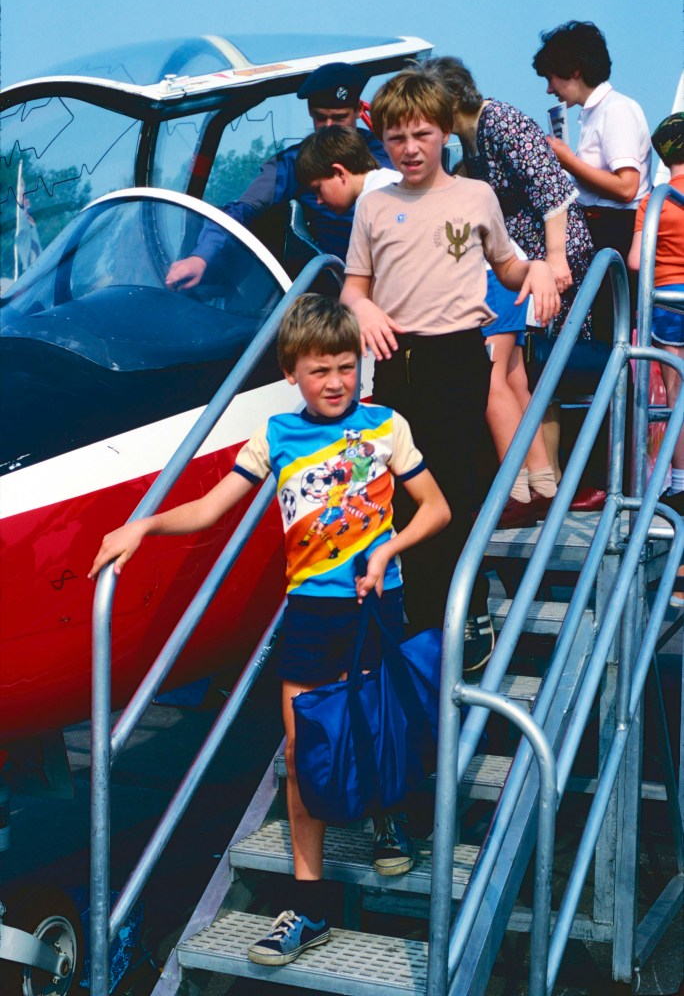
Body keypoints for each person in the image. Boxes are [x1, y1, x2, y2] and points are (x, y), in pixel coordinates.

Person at [88, 293, 451, 965]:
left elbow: (436, 508)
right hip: (310, 612)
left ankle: (387, 820)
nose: (336, 382)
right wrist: (144, 526)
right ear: (291, 373)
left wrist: (387, 551)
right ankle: (309, 910)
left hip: (375, 605)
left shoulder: (386, 427)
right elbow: (210, 509)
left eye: (346, 367)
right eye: (320, 370)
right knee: (300, 754)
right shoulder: (276, 436)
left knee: (376, 728)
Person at [341, 70, 560, 655]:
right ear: (382, 141)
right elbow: (353, 287)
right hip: (397, 363)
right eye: (396, 138)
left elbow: (507, 266)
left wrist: (538, 268)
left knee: (459, 489)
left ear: (443, 132)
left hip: (460, 358)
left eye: (421, 135)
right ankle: (422, 619)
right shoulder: (374, 205)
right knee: (403, 493)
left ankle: (468, 607)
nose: (410, 149)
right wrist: (362, 308)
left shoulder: (475, 195)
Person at [422, 55, 595, 522]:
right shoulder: (469, 139)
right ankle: (543, 483)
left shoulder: (500, 122)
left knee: (518, 374)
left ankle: (529, 487)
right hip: (516, 259)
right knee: (523, 375)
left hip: (540, 258)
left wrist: (555, 260)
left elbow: (552, 191)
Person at [165, 63, 392, 290]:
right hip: (339, 281)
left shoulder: (391, 153)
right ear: (310, 113)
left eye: (339, 118)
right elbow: (242, 210)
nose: (329, 128)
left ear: (358, 111)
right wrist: (202, 256)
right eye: (321, 118)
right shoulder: (294, 163)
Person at [532, 20, 651, 343]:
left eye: (551, 78)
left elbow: (626, 187)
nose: (549, 89)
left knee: (608, 331)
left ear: (573, 71)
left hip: (614, 230)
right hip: (601, 228)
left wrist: (567, 160)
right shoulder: (595, 113)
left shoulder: (617, 110)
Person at [627, 113, 684, 604]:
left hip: (666, 301)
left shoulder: (653, 200)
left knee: (677, 392)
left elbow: (633, 260)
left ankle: (680, 480)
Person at [295, 124, 402, 214]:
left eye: (318, 189)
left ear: (339, 173)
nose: (319, 201)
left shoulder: (371, 203)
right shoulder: (391, 181)